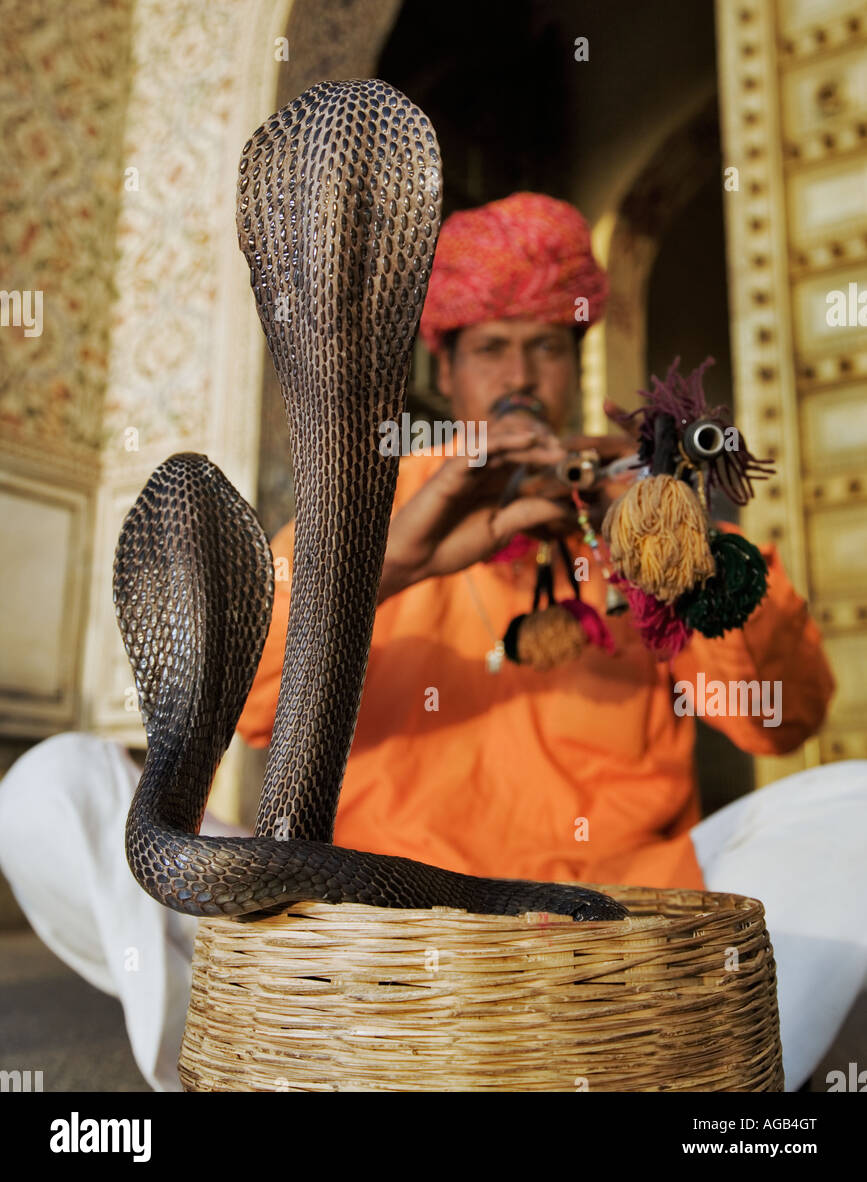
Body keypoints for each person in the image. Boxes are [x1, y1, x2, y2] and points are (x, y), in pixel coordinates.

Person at [0, 192, 863, 1093]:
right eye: (491, 347)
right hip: (371, 925)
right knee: (51, 791)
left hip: (606, 927)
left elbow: (782, 720)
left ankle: (688, 1095)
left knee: (855, 806)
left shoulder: (639, 509)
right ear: (444, 371)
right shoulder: (373, 503)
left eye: (547, 345)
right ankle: (248, 1074)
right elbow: (243, 708)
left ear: (576, 364)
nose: (521, 372)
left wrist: (681, 555)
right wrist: (396, 557)